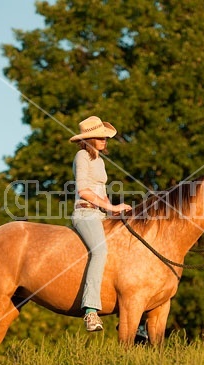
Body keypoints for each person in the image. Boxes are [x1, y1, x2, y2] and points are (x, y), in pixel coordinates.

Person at [70, 116, 132, 332]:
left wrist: (115, 209)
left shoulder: (100, 161)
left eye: (106, 137)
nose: (105, 140)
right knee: (100, 252)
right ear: (89, 140)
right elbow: (83, 190)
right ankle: (90, 312)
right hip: (85, 214)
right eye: (100, 136)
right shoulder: (82, 156)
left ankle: (133, 314)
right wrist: (112, 208)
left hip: (100, 214)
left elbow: (101, 193)